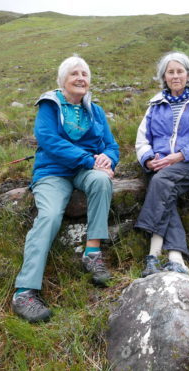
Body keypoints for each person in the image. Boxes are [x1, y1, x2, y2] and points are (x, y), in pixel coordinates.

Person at [12, 54, 119, 322]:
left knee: (102, 180)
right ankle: (24, 292)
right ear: (62, 80)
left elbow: (111, 145)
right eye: (74, 74)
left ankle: (92, 253)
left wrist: (108, 159)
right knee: (48, 216)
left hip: (87, 171)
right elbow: (49, 141)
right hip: (53, 172)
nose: (81, 78)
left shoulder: (95, 110)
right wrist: (89, 159)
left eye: (84, 74)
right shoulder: (49, 105)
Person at [135, 51, 189, 277]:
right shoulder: (154, 106)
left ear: (188, 74)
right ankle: (176, 258)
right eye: (170, 72)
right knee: (164, 187)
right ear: (164, 76)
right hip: (162, 165)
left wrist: (181, 155)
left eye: (179, 71)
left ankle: (152, 254)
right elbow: (142, 140)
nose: (175, 76)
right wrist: (149, 159)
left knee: (161, 181)